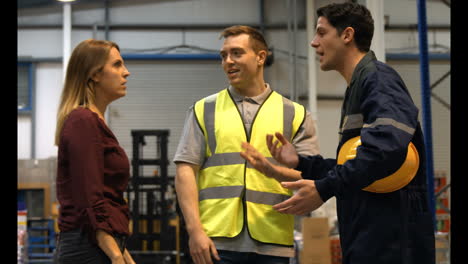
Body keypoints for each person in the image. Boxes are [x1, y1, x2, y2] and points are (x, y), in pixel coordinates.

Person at [240, 3, 435, 264]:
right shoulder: (360, 85)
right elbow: (357, 166)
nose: (313, 42)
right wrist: (302, 163)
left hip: (393, 244)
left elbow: (384, 150)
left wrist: (324, 188)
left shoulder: (378, 80)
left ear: (347, 35)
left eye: (321, 33)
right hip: (371, 238)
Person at [173, 25, 319, 264]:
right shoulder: (204, 110)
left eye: (237, 53)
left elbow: (309, 176)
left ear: (261, 57)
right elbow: (185, 171)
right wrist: (195, 231)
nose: (228, 61)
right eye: (223, 55)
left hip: (273, 241)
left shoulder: (295, 114)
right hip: (216, 241)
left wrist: (274, 169)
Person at [53, 39, 135, 264]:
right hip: (87, 248)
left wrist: (123, 253)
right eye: (117, 65)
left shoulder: (93, 122)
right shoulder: (83, 121)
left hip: (99, 244)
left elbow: (105, 200)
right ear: (95, 74)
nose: (126, 73)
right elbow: (89, 198)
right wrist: (115, 255)